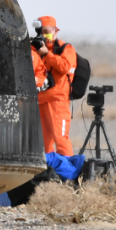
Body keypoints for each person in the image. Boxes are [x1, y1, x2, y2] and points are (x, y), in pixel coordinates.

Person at [34, 16, 77, 155]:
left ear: (55, 31)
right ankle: (47, 173)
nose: (44, 35)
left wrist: (47, 54)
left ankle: (69, 173)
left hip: (58, 100)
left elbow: (65, 67)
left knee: (61, 139)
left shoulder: (66, 48)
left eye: (47, 31)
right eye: (41, 31)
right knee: (42, 142)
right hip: (41, 100)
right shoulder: (35, 49)